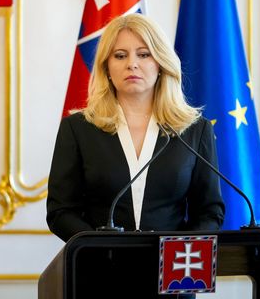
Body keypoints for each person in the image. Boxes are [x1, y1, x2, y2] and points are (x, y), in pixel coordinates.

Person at [47, 13, 224, 241]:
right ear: (107, 68)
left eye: (144, 54)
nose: (132, 64)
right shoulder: (77, 129)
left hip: (172, 271)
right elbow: (60, 211)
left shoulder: (195, 130)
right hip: (101, 266)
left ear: (160, 63)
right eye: (120, 56)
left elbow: (210, 211)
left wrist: (176, 251)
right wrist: (100, 246)